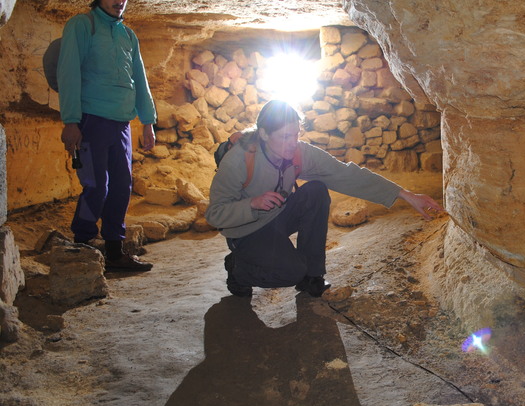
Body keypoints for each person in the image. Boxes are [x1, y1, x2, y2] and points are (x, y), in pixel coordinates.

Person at [206, 100, 444, 298]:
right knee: (289, 273)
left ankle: (312, 276)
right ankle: (238, 269)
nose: (292, 143)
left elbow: (346, 174)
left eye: (296, 134)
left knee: (317, 190)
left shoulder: (298, 152)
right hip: (247, 230)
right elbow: (215, 215)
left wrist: (407, 196)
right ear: (264, 134)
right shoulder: (239, 160)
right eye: (285, 136)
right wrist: (252, 204)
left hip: (278, 217)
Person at [58, 0, 156, 272]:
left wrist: (148, 121)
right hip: (92, 120)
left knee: (122, 186)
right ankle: (83, 245)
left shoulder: (128, 35)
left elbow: (139, 77)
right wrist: (71, 121)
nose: (119, 2)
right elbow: (68, 74)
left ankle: (114, 251)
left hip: (121, 123)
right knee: (96, 186)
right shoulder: (82, 25)